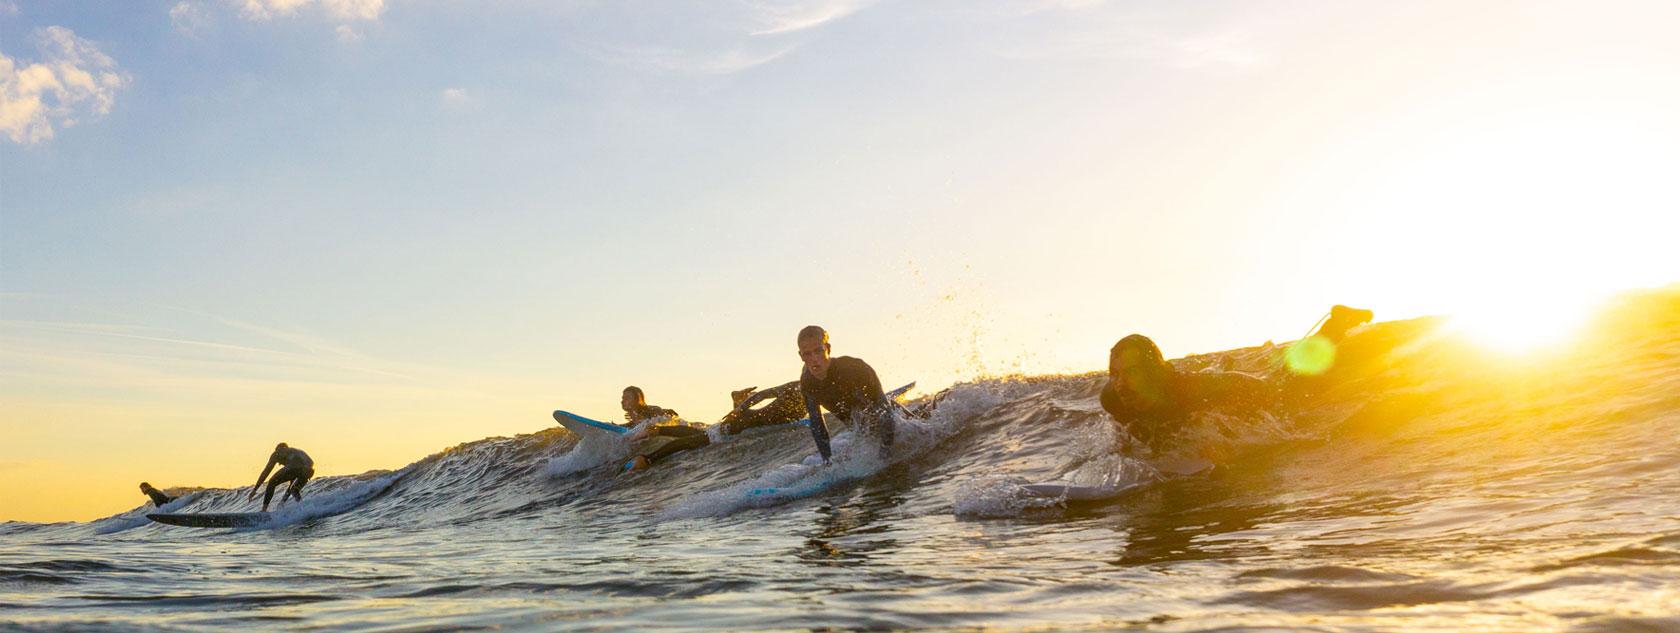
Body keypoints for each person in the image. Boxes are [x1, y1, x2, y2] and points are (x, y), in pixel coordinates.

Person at [1100, 305, 1373, 450]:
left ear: (1153, 373)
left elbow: (1257, 407)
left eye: (1132, 372)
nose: (1120, 383)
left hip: (1249, 389)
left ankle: (1337, 323)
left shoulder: (1192, 389)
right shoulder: (1112, 398)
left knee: (1287, 381)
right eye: (1115, 374)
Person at [797, 325, 894, 463]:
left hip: (894, 423)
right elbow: (817, 425)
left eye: (818, 351)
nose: (814, 359)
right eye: (807, 354)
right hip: (865, 433)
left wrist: (886, 452)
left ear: (828, 349)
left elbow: (885, 411)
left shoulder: (853, 368)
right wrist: (827, 461)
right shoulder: (808, 383)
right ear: (801, 356)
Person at [716, 381, 806, 435]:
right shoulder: (795, 387)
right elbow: (763, 395)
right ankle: (738, 400)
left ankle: (738, 400)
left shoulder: (815, 394)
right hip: (761, 418)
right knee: (741, 423)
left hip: (776, 421)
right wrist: (740, 409)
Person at [248, 442, 314, 512]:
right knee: (294, 490)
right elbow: (291, 484)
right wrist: (282, 502)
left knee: (272, 482)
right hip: (309, 470)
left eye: (279, 462)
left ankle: (264, 510)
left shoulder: (277, 452)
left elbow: (266, 471)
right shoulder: (295, 452)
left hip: (297, 467)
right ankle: (303, 509)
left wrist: (255, 489)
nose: (279, 464)